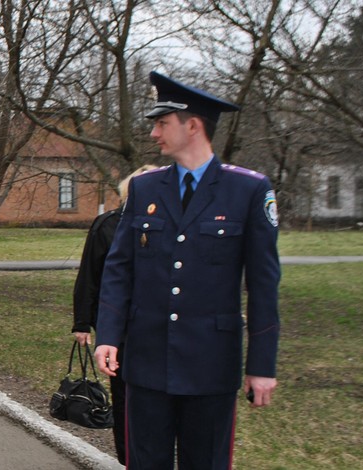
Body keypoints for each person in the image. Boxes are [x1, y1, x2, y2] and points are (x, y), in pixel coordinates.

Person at [94, 71, 281, 470]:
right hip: (145, 363)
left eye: (162, 123)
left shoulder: (248, 190)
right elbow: (119, 269)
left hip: (210, 366)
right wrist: (107, 335)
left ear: (192, 126)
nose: (154, 134)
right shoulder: (145, 189)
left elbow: (264, 285)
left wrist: (262, 366)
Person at [71, 164, 156, 465]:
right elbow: (90, 276)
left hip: (157, 328)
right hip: (120, 327)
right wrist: (82, 322)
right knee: (124, 399)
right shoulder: (107, 225)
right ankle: (128, 457)